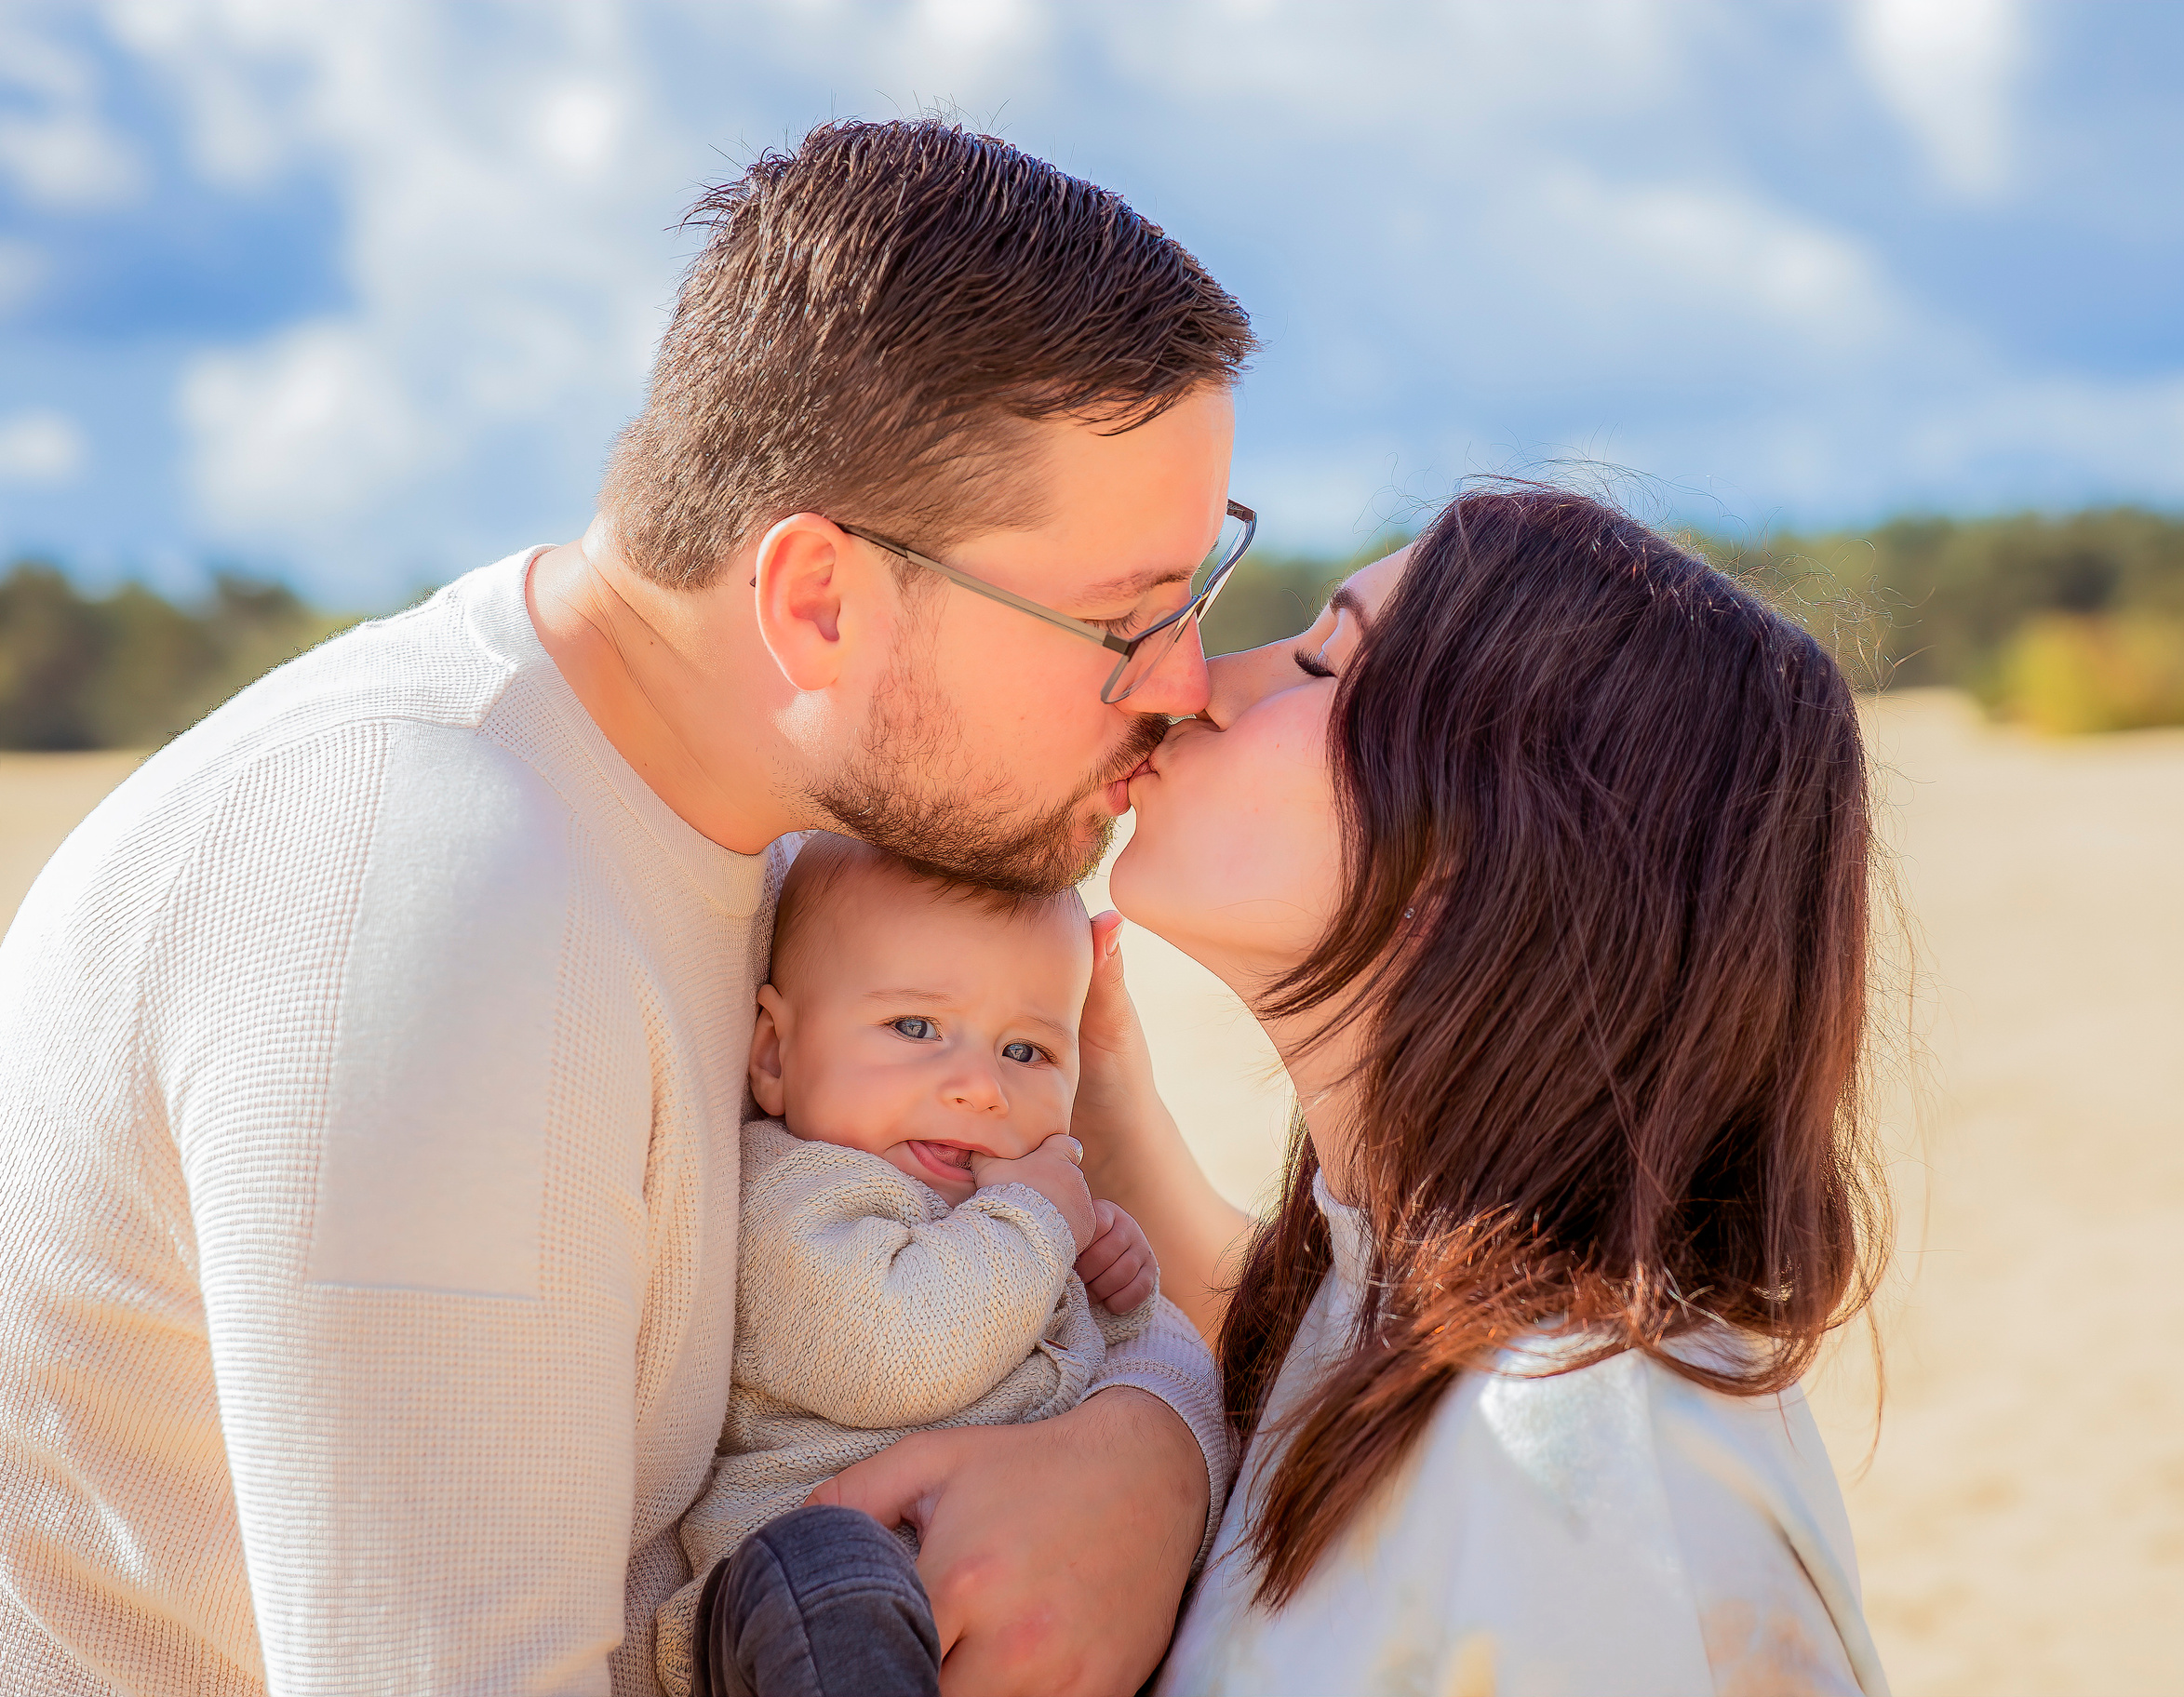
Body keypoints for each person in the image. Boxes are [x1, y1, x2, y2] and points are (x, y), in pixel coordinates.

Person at [0, 120, 1252, 1695]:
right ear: (814, 600)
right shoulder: (438, 906)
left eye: (1200, 595)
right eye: (1125, 619)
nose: (1187, 687)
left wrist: (1147, 1450)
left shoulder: (771, 854)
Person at [1081, 485, 1898, 1695]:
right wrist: (1088, 1086)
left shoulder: (1581, 1467)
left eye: (1321, 660)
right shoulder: (1394, 1302)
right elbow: (1255, 1327)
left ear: (1477, 858)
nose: (1197, 682)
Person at [654, 833, 1162, 1697]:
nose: (980, 1087)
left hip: (1009, 1601)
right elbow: (894, 1351)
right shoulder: (795, 1195)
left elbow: (1102, 1368)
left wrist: (1110, 1274)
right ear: (774, 1055)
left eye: (1027, 1051)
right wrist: (1037, 1221)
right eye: (916, 1027)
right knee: (830, 1570)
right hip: (790, 1610)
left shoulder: (1014, 1209)